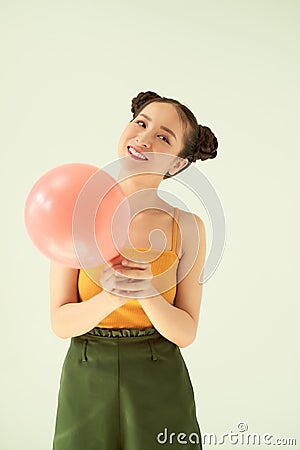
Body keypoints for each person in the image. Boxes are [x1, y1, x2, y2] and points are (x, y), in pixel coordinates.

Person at [50, 90, 218, 450]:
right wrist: (110, 296)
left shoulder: (187, 227)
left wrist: (148, 293)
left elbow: (185, 332)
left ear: (177, 163)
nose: (144, 137)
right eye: (141, 123)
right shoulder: (75, 212)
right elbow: (60, 322)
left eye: (163, 137)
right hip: (86, 371)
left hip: (159, 376)